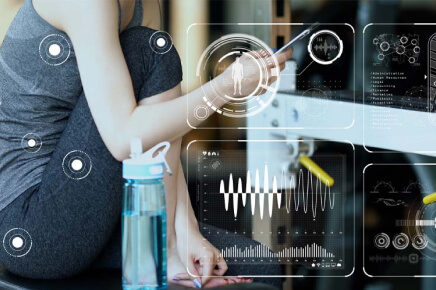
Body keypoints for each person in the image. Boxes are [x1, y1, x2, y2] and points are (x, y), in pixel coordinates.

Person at [0, 0, 292, 288]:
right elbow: (124, 138)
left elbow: (159, 135)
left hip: (89, 204)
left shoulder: (144, 5)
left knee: (259, 266)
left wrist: (186, 231)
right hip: (33, 223)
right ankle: (165, 253)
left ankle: (168, 250)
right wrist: (225, 87)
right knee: (149, 47)